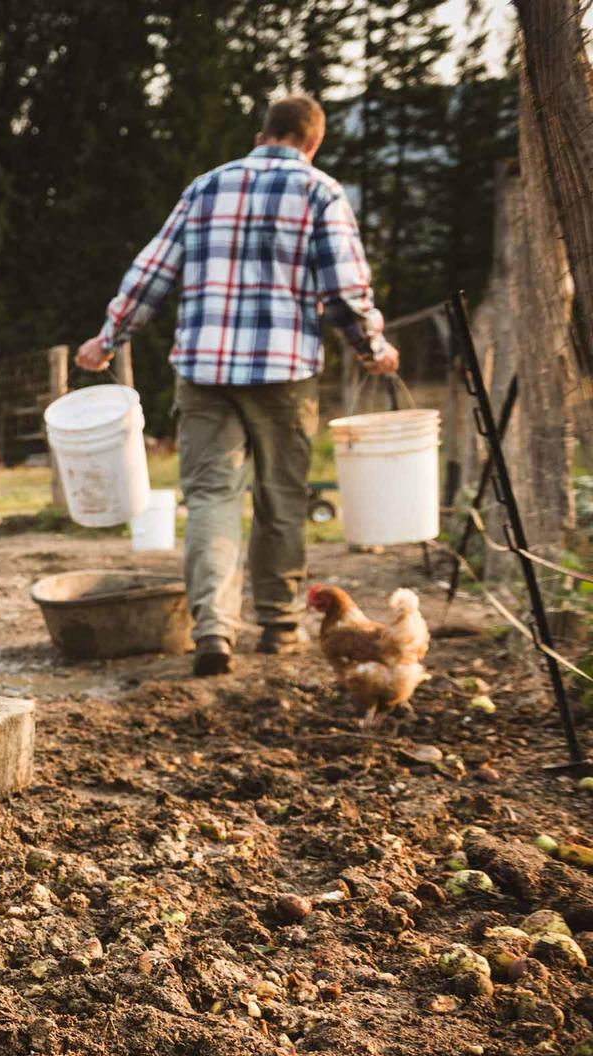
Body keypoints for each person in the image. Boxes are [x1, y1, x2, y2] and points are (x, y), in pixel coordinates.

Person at [77, 95, 398, 677]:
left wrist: (107, 338)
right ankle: (278, 626)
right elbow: (345, 293)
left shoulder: (206, 188)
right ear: (313, 141)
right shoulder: (320, 192)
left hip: (204, 372)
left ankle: (214, 634)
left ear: (262, 134)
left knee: (210, 500)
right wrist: (372, 349)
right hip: (286, 374)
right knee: (281, 498)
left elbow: (151, 273)